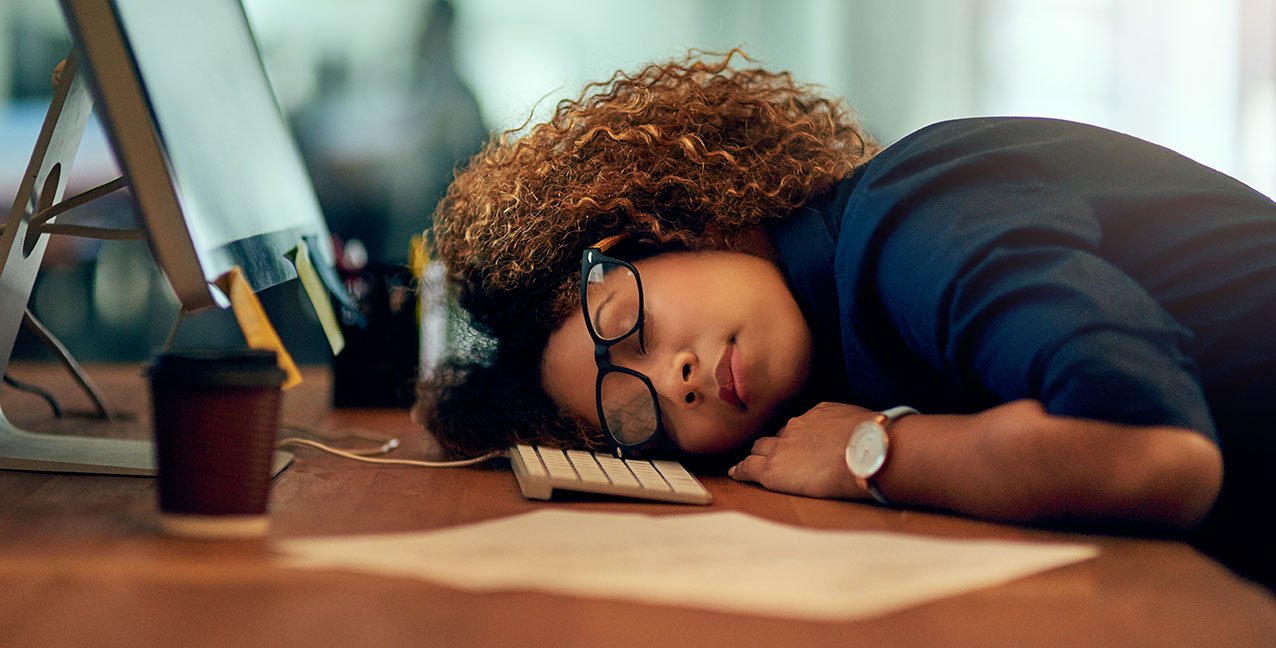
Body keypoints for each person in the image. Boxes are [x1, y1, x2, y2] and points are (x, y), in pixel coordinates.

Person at [413, 50, 1276, 588]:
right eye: (633, 412)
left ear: (655, 227)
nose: (672, 382)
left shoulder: (908, 218)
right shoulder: (840, 334)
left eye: (626, 323)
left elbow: (1156, 456)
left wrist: (878, 453)